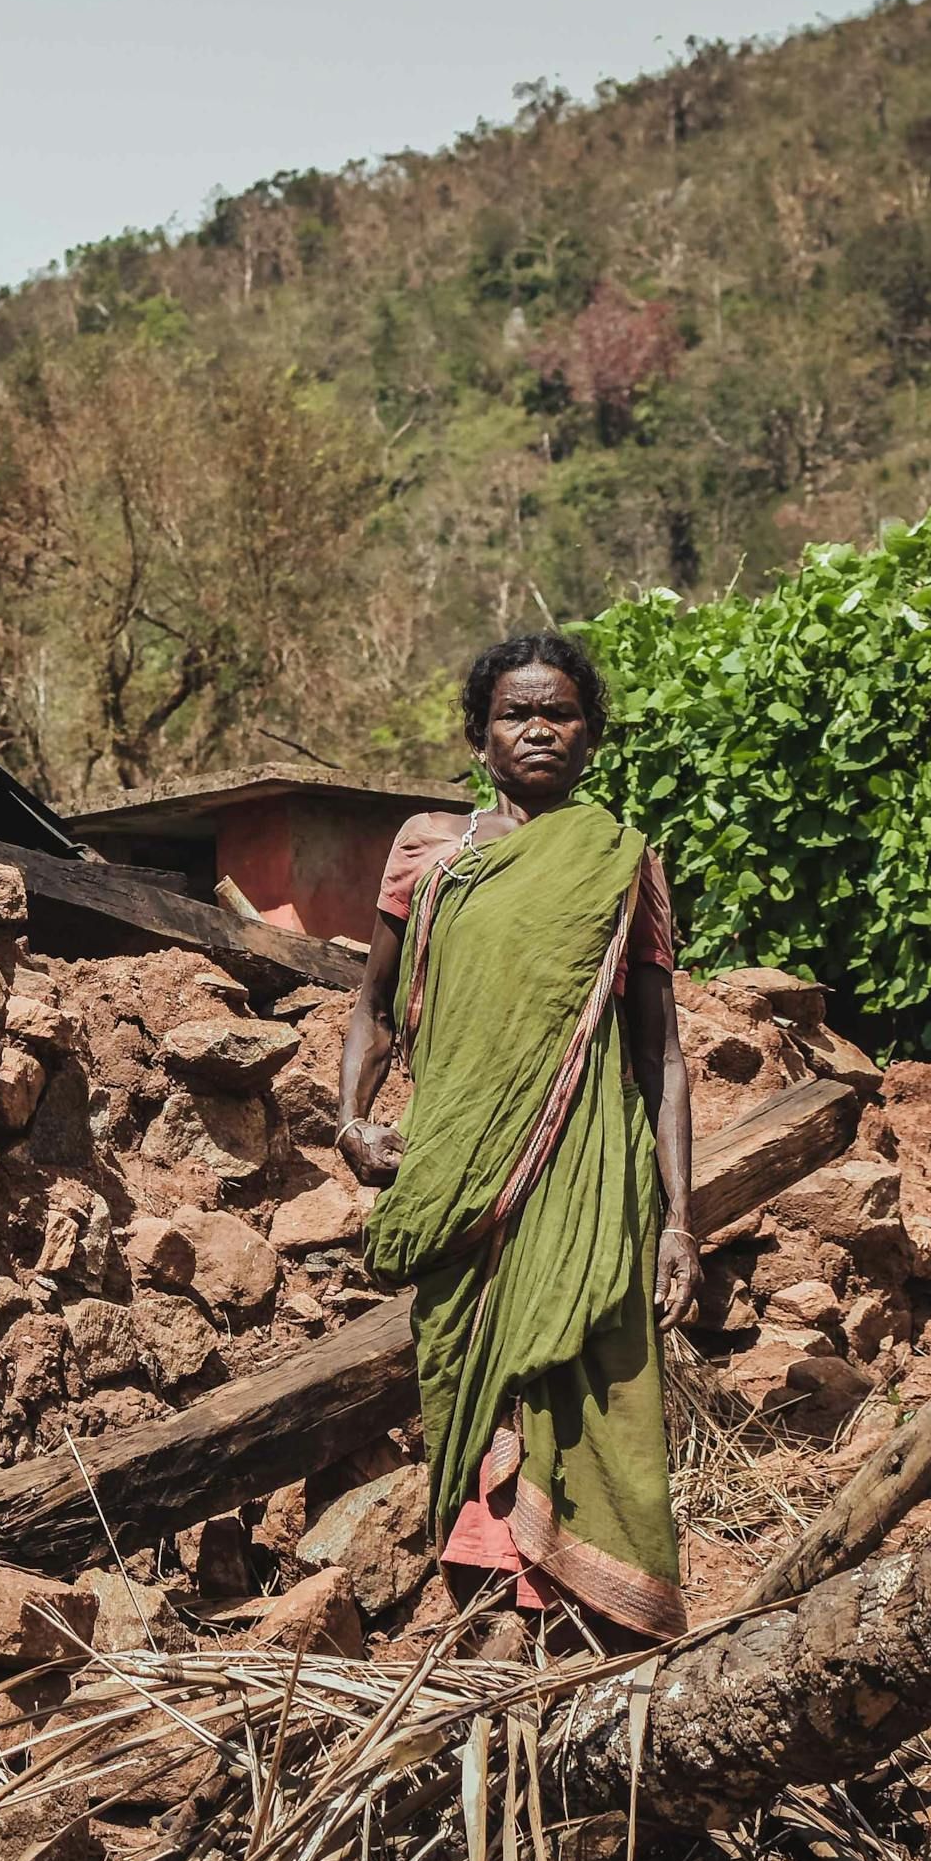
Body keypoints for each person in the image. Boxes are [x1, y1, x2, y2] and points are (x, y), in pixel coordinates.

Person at [337, 632, 697, 1648]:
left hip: (586, 1173)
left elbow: (660, 1052)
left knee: (589, 1376)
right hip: (456, 1170)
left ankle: (591, 1625)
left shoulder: (623, 865)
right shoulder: (429, 851)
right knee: (466, 1360)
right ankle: (488, 1612)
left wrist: (683, 1220)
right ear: (478, 735)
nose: (538, 728)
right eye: (514, 714)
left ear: (590, 737)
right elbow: (370, 1007)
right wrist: (351, 1122)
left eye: (560, 714)